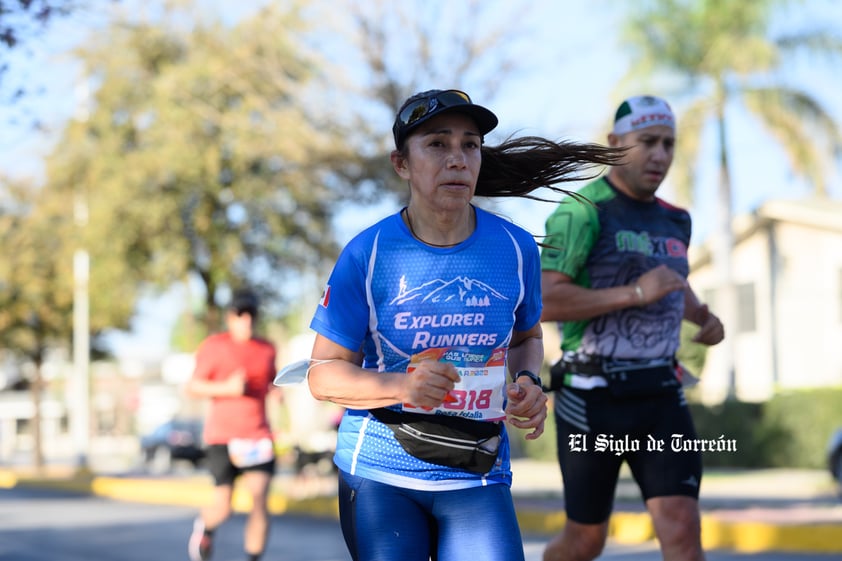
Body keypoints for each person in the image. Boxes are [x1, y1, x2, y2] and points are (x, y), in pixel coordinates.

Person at [305, 88, 624, 561]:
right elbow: (322, 374)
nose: (457, 159)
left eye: (470, 145)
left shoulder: (515, 248)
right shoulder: (368, 254)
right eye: (437, 144)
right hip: (381, 474)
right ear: (402, 164)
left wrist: (528, 382)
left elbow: (527, 338)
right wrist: (402, 387)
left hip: (477, 471)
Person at [539, 95, 725, 561]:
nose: (660, 155)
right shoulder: (583, 210)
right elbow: (544, 300)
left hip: (662, 394)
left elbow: (672, 282)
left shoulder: (676, 219)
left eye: (668, 143)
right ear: (616, 144)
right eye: (648, 142)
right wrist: (633, 294)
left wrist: (701, 315)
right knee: (585, 541)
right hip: (592, 397)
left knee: (682, 528)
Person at [185, 288, 280, 561]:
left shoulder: (267, 349)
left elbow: (269, 381)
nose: (246, 320)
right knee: (223, 507)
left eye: (250, 314)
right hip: (222, 438)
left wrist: (277, 391)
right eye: (240, 314)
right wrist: (227, 388)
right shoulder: (215, 346)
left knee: (260, 502)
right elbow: (192, 387)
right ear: (230, 317)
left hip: (257, 436)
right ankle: (206, 527)